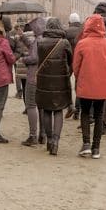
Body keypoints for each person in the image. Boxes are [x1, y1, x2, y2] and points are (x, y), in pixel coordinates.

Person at [73, 14, 106, 159]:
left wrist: (81, 77)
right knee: (99, 115)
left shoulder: (82, 43)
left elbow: (76, 67)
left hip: (86, 83)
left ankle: (86, 144)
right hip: (104, 85)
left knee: (85, 113)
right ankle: (96, 148)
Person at [35, 18, 73, 155]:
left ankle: (49, 140)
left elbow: (38, 59)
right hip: (60, 81)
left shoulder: (40, 41)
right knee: (58, 111)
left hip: (44, 81)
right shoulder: (65, 43)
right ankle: (56, 141)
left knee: (46, 110)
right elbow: (70, 60)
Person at [18, 17, 45, 146]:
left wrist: (24, 60)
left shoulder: (37, 41)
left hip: (33, 77)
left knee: (30, 105)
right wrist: (23, 37)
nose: (32, 30)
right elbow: (32, 46)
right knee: (41, 106)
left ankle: (33, 136)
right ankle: (42, 135)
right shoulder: (43, 40)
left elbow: (34, 57)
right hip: (41, 77)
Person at [64, 13, 82, 119]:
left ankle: (69, 105)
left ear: (70, 22)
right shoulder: (82, 31)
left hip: (67, 61)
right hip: (79, 61)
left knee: (66, 84)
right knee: (78, 86)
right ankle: (77, 111)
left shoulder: (66, 32)